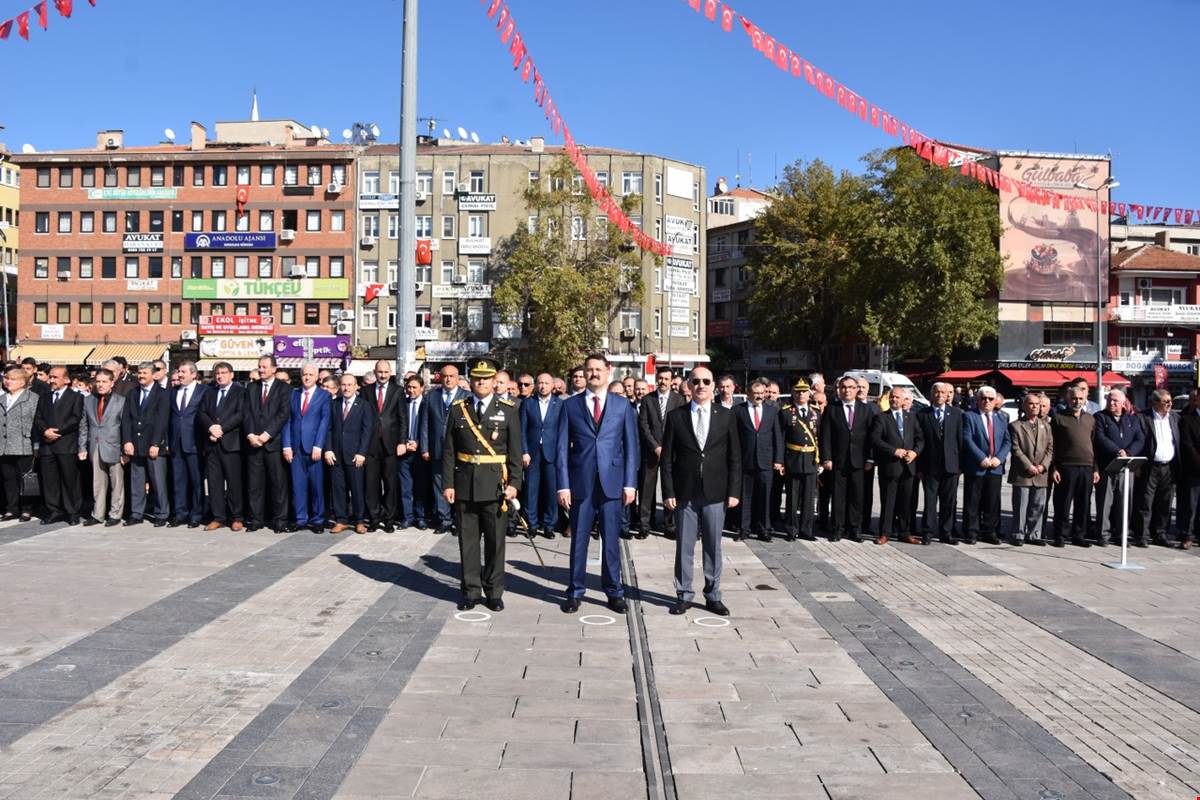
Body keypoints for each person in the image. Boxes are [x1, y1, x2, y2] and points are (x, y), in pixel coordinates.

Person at [558, 353, 639, 614]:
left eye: (598, 369)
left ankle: (614, 591)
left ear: (608, 371)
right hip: (581, 482)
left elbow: (631, 448)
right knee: (578, 539)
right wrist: (563, 485)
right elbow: (561, 449)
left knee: (611, 541)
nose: (593, 374)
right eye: (589, 370)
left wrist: (630, 484)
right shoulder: (570, 406)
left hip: (612, 483)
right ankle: (575, 590)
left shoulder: (622, 406)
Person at [442, 357, 522, 612]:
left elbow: (515, 452)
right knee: (468, 541)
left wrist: (515, 484)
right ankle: (471, 591)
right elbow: (448, 451)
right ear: (472, 380)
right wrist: (448, 484)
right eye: (477, 378)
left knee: (496, 542)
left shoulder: (508, 409)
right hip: (465, 483)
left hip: (496, 486)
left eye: (486, 379)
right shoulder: (458, 409)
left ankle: (494, 592)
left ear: (493, 381)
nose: (481, 382)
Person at [661, 365, 740, 616]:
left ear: (714, 385)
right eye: (696, 381)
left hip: (716, 491)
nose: (701, 385)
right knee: (684, 545)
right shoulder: (676, 416)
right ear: (689, 385)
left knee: (713, 546)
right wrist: (668, 491)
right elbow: (667, 459)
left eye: (706, 381)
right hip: (685, 492)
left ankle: (713, 595)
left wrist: (734, 491)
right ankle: (684, 594)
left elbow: (735, 457)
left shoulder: (726, 416)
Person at [818, 376, 871, 542]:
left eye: (850, 387)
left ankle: (854, 529)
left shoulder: (866, 409)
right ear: (838, 390)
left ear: (857, 390)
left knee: (856, 496)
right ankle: (837, 528)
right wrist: (826, 458)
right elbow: (825, 435)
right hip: (838, 460)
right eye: (843, 387)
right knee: (838, 496)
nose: (847, 390)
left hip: (859, 461)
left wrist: (870, 458)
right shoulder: (832, 408)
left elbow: (871, 436)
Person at [242, 355, 291, 533]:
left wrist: (267, 434)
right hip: (254, 444)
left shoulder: (284, 389)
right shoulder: (251, 388)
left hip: (273, 444)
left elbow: (283, 414)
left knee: (278, 484)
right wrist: (250, 434)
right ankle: (256, 519)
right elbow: (245, 413)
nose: (261, 370)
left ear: (274, 369)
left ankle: (279, 520)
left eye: (264, 367)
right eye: (259, 367)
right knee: (255, 485)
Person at [869, 387, 924, 545]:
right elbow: (875, 439)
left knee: (906, 502)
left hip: (908, 467)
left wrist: (915, 452)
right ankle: (884, 533)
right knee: (888, 502)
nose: (894, 400)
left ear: (904, 400)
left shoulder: (911, 417)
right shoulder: (881, 417)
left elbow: (920, 439)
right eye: (892, 397)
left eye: (898, 397)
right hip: (890, 466)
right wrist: (894, 451)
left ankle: (904, 532)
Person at [1092, 387, 1144, 546]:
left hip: (1126, 466)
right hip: (1108, 466)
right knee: (1105, 502)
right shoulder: (1100, 417)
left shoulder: (1132, 420)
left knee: (1124, 502)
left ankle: (1121, 534)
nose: (1111, 403)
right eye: (1109, 399)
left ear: (1123, 403)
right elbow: (1100, 438)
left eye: (1115, 400)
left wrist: (1128, 452)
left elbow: (1140, 438)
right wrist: (1117, 450)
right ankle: (1103, 534)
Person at [197, 361, 246, 532]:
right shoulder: (209, 392)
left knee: (233, 483)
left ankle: (237, 517)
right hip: (212, 444)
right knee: (214, 483)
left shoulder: (240, 392)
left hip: (231, 444)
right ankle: (218, 517)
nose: (220, 376)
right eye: (217, 373)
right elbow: (201, 413)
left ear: (232, 374)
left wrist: (221, 429)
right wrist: (211, 427)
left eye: (224, 372)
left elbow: (240, 414)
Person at [283, 364, 332, 533]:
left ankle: (318, 519)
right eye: (304, 374)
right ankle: (300, 518)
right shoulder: (294, 394)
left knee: (317, 486)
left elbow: (325, 422)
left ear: (317, 377)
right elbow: (288, 421)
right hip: (296, 448)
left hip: (314, 448)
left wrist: (319, 445)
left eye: (310, 374)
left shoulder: (324, 396)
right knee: (298, 486)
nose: (307, 377)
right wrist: (286, 445)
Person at [33, 366, 84, 525]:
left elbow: (75, 418)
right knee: (50, 480)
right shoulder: (45, 397)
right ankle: (54, 510)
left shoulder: (76, 397)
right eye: (51, 377)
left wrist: (57, 432)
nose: (52, 380)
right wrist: (45, 431)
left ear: (66, 379)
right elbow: (38, 417)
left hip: (66, 444)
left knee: (69, 479)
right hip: (47, 445)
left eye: (56, 377)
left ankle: (72, 511)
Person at [733, 378, 783, 542]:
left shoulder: (771, 411)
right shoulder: (738, 410)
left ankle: (764, 530)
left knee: (765, 498)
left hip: (766, 462)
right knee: (745, 497)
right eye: (756, 394)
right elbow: (734, 437)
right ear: (748, 395)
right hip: (745, 461)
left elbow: (777, 437)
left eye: (762, 393)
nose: (759, 397)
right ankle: (744, 530)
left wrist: (778, 459)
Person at [121, 362, 171, 527]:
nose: (141, 376)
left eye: (144, 373)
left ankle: (161, 513)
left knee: (158, 482)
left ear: (153, 374)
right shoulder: (132, 393)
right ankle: (136, 513)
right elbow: (126, 419)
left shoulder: (163, 394)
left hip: (154, 445)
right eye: (139, 373)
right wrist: (127, 441)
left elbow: (162, 421)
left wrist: (156, 443)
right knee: (137, 481)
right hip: (135, 445)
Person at [638, 367, 685, 539]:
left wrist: (669, 448)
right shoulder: (647, 400)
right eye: (660, 378)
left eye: (666, 378)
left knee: (669, 488)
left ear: (671, 380)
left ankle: (669, 525)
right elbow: (643, 426)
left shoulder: (679, 400)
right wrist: (655, 447)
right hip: (651, 452)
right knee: (646, 489)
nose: (663, 381)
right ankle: (645, 525)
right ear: (656, 379)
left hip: (671, 454)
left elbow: (681, 426)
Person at [1049, 383, 1098, 548]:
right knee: (1063, 503)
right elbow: (1052, 445)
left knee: (1083, 504)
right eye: (1074, 398)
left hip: (1086, 467)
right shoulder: (1058, 418)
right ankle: (1060, 535)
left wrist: (1095, 468)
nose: (1077, 401)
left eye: (1080, 399)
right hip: (1066, 466)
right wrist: (1054, 467)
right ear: (1067, 399)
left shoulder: (1090, 419)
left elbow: (1093, 444)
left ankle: (1079, 535)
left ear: (1085, 400)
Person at [362, 360, 407, 533]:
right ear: (375, 372)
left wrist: (402, 442)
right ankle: (374, 517)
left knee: (390, 483)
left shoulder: (398, 391)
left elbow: (403, 419)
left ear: (390, 373)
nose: (382, 375)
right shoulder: (366, 391)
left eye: (386, 372)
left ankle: (388, 518)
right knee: (371, 484)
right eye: (380, 372)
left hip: (391, 445)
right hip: (371, 445)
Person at [420, 364, 466, 535]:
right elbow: (424, 424)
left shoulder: (467, 397)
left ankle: (459, 520)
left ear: (458, 378)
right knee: (439, 485)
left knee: (461, 486)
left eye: (452, 376)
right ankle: (444, 519)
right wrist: (424, 447)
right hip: (438, 449)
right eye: (445, 376)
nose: (448, 379)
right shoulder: (431, 397)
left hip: (461, 451)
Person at [962, 386, 1011, 545]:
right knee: (972, 502)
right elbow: (967, 439)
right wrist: (981, 457)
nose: (987, 401)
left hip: (995, 466)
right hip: (977, 466)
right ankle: (971, 532)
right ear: (977, 400)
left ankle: (990, 532)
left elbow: (1007, 440)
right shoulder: (969, 416)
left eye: (990, 398)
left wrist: (1000, 458)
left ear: (996, 400)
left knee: (992, 502)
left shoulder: (1001, 418)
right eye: (983, 398)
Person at [325, 374, 373, 534]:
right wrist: (328, 449)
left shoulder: (364, 405)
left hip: (355, 455)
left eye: (349, 385)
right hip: (336, 454)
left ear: (356, 386)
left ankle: (359, 520)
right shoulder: (334, 404)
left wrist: (362, 453)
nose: (346, 388)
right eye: (343, 385)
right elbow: (329, 428)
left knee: (357, 488)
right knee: (338, 489)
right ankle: (341, 519)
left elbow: (367, 431)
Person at [78, 368, 126, 527]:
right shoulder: (88, 400)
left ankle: (115, 514)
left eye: (104, 381)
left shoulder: (121, 401)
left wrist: (124, 450)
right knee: (97, 483)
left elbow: (124, 427)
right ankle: (97, 514)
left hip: (114, 446)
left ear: (112, 383)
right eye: (97, 381)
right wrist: (82, 447)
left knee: (116, 482)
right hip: (95, 445)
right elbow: (84, 425)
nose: (100, 385)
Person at [916, 382, 963, 544]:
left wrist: (960, 465)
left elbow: (960, 441)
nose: (940, 395)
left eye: (943, 392)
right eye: (936, 392)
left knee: (948, 502)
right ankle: (927, 532)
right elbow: (919, 442)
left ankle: (946, 533)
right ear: (931, 394)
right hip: (930, 467)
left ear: (948, 394)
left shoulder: (956, 414)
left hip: (951, 466)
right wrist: (920, 467)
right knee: (930, 501)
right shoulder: (922, 414)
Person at [1135, 390, 1181, 548]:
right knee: (1145, 502)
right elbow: (1139, 442)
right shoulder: (1143, 417)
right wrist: (1138, 465)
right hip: (1149, 466)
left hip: (1169, 466)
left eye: (1170, 401)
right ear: (1154, 402)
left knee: (1165, 502)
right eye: (1165, 401)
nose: (1169, 404)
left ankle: (1160, 533)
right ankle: (1142, 534)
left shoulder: (1175, 418)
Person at [520, 372, 562, 540]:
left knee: (551, 491)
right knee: (531, 489)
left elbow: (563, 430)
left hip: (552, 453)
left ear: (552, 385)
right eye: (540, 383)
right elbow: (522, 430)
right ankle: (532, 524)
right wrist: (524, 451)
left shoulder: (560, 404)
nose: (543, 386)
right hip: (532, 453)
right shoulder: (528, 403)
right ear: (536, 385)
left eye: (546, 383)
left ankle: (549, 525)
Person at [1007, 392, 1052, 546]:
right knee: (1021, 505)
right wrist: (1029, 466)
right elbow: (1015, 448)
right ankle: (1018, 534)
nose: (1035, 406)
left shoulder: (1046, 425)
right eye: (1031, 404)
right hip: (1023, 473)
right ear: (1024, 406)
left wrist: (1043, 465)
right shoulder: (1016, 426)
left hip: (1040, 472)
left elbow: (1050, 449)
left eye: (1037, 404)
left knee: (1038, 506)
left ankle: (1034, 534)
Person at [778, 378, 820, 542]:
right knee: (792, 497)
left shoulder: (816, 412)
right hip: (793, 459)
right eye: (798, 391)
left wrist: (820, 460)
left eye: (804, 391)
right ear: (793, 393)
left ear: (809, 393)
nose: (801, 394)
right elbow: (781, 439)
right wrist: (780, 461)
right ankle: (791, 529)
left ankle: (806, 529)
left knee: (809, 498)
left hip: (810, 459)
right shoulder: (786, 412)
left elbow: (819, 437)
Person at [168, 362, 209, 528]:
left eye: (183, 372)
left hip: (195, 443)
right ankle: (180, 513)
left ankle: (197, 514)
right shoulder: (173, 392)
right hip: (176, 443)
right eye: (179, 371)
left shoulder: (204, 392)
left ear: (194, 374)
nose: (180, 375)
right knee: (178, 480)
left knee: (196, 481)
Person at [0, 366, 38, 521]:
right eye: (6, 378)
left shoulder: (32, 398)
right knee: (8, 478)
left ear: (22, 382)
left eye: (12, 379)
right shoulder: (2, 398)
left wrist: (36, 445)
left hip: (24, 443)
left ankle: (27, 509)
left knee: (25, 477)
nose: (8, 381)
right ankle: (11, 508)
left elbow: (37, 422)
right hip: (4, 444)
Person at [398, 374, 429, 529]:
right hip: (404, 451)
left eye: (414, 387)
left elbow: (429, 428)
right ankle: (407, 517)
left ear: (422, 388)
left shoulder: (427, 403)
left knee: (420, 487)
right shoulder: (402, 403)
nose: (411, 390)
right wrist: (403, 443)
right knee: (405, 486)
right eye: (409, 387)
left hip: (421, 451)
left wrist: (418, 443)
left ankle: (420, 516)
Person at [1179, 389, 1200, 545]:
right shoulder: (1187, 419)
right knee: (1191, 505)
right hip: (1194, 468)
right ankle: (1187, 535)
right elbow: (1187, 445)